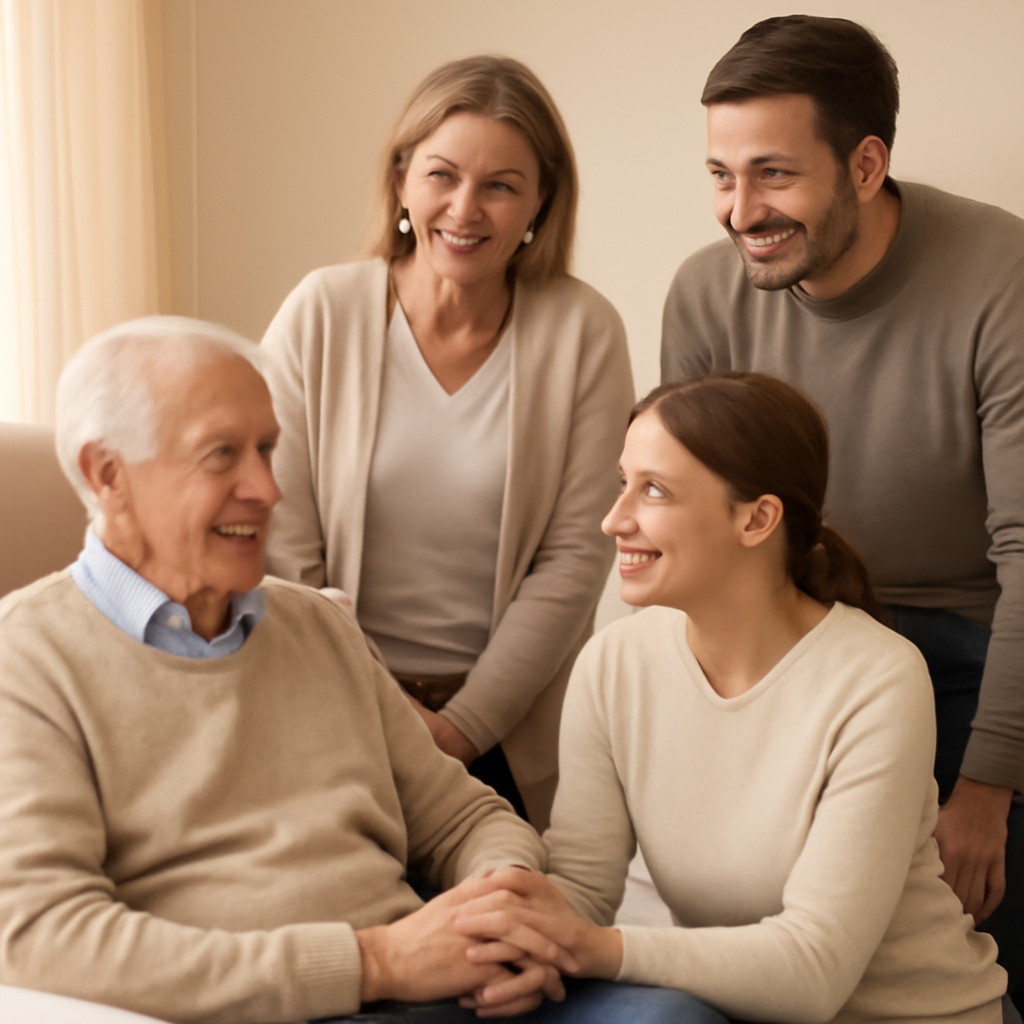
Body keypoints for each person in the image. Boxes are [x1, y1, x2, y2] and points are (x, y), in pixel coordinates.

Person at [0, 317, 566, 1023]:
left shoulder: (318, 625)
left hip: (449, 985)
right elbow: (42, 937)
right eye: (221, 455)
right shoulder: (25, 660)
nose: (267, 489)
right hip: (288, 1006)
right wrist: (376, 963)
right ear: (107, 474)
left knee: (671, 1014)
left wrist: (497, 909)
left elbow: (465, 819)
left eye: (266, 450)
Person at [452, 373, 1018, 1023]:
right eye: (622, 482)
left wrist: (595, 949)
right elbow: (582, 889)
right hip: (737, 1012)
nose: (615, 520)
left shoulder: (878, 679)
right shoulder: (613, 663)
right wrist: (524, 948)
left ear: (757, 519)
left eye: (654, 490)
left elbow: (813, 968)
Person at [659, 15, 1024, 996]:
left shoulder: (1001, 276)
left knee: (970, 955)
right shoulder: (703, 297)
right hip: (792, 647)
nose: (738, 211)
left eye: (772, 173)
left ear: (865, 165)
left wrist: (988, 786)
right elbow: (692, 542)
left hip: (967, 651)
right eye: (720, 175)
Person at [261, 56, 634, 830]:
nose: (466, 209)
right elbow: (281, 535)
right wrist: (379, 706)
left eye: (501, 184)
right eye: (442, 175)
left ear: (540, 201)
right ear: (401, 181)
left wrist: (460, 728)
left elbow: (576, 557)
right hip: (331, 704)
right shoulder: (321, 311)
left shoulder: (584, 330)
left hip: (509, 725)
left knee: (505, 933)